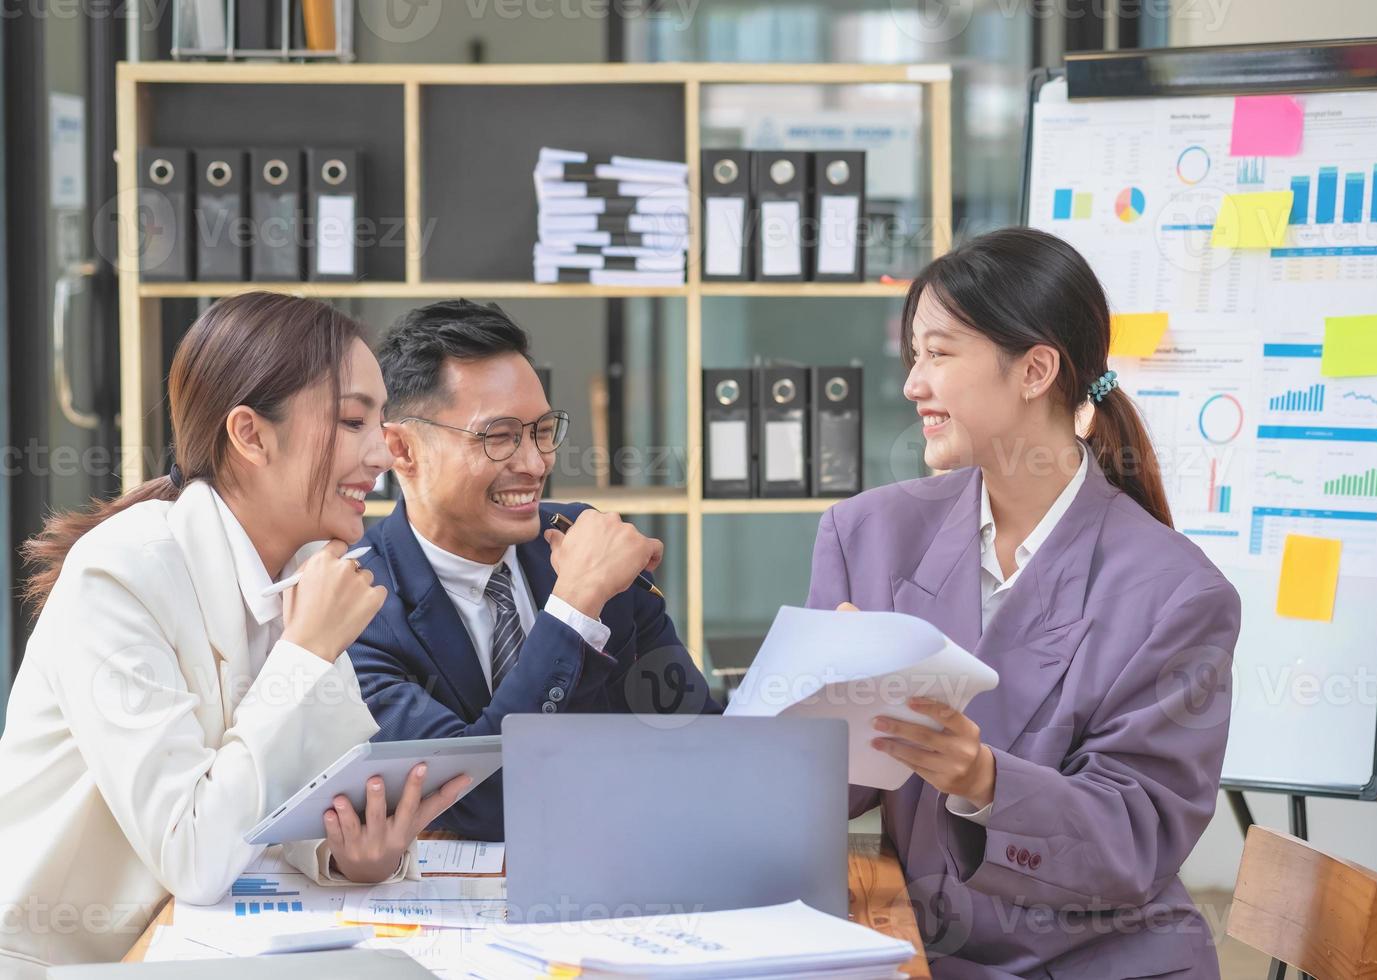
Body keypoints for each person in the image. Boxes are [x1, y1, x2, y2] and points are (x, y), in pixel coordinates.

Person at [806, 228, 1241, 979]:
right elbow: (815, 783)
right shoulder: (865, 533)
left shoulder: (1180, 596)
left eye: (939, 355)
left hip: (1100, 963)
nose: (913, 383)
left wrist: (983, 779)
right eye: (914, 355)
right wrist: (819, 709)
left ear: (1035, 369)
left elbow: (1134, 843)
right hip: (924, 949)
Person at [0, 293, 471, 975]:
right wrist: (304, 653)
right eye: (351, 421)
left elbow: (303, 809)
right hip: (66, 961)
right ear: (250, 435)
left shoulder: (306, 572)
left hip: (189, 945)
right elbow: (195, 853)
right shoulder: (120, 574)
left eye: (382, 420)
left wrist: (347, 850)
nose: (382, 452)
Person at [348, 300, 718, 841]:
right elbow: (485, 800)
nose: (536, 462)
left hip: (624, 875)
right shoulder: (357, 602)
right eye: (499, 437)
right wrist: (574, 609)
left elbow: (693, 736)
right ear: (400, 448)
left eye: (543, 430)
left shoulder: (583, 539)